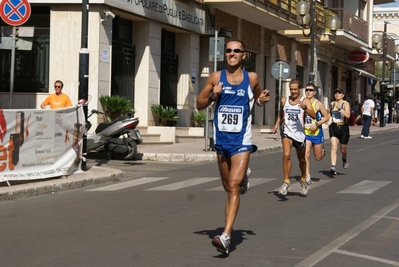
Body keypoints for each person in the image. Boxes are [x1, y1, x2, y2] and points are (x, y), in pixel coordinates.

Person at [196, 40, 270, 255]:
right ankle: (244, 178)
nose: (232, 54)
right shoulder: (215, 78)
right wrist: (213, 96)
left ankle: (226, 235)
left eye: (236, 51)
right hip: (221, 141)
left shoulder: (252, 77)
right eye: (228, 50)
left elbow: (257, 97)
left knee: (234, 186)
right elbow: (199, 104)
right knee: (228, 187)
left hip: (242, 141)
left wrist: (262, 100)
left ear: (244, 55)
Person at [272, 79, 315, 196]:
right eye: (291, 89)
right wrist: (276, 124)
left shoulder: (304, 101)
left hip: (300, 135)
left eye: (295, 89)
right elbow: (281, 113)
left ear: (299, 89)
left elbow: (314, 115)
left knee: (301, 160)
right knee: (286, 155)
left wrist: (304, 108)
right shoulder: (284, 100)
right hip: (287, 132)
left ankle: (303, 179)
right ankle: (286, 182)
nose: (293, 91)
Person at [303, 83, 330, 184]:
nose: (308, 92)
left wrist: (317, 124)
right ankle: (307, 176)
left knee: (318, 157)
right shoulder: (302, 102)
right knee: (306, 154)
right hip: (306, 133)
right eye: (307, 90)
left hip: (317, 133)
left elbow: (327, 117)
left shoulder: (318, 104)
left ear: (314, 92)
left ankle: (323, 150)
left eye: (310, 90)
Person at [328, 88, 351, 175]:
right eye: (335, 93)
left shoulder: (346, 103)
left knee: (343, 149)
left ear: (343, 95)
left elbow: (348, 115)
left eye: (339, 93)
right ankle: (333, 166)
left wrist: (340, 109)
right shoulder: (332, 104)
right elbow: (329, 113)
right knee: (333, 147)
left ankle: (344, 159)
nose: (337, 94)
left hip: (343, 127)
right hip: (334, 126)